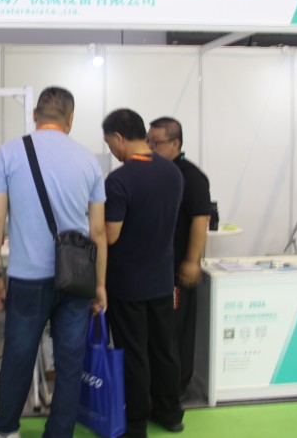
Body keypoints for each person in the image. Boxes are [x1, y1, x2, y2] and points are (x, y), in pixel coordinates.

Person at [0, 86, 108, 438]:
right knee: (70, 360)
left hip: (28, 277)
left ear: (35, 115)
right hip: (77, 277)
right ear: (70, 119)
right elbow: (98, 231)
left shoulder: (9, 153)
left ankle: (5, 428)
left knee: (19, 355)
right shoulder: (89, 161)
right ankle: (60, 433)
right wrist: (99, 284)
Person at [101, 108, 184, 438]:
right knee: (164, 349)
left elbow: (110, 235)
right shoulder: (173, 173)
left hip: (127, 284)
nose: (111, 150)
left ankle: (135, 424)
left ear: (119, 137)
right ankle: (170, 412)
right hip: (162, 279)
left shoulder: (119, 180)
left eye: (110, 143)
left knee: (133, 353)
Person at [148, 117, 212, 396]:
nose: (150, 147)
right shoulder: (156, 172)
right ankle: (159, 386)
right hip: (155, 270)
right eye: (148, 141)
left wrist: (191, 261)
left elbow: (201, 219)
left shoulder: (190, 176)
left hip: (177, 270)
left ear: (176, 143)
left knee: (176, 331)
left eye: (156, 142)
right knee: (159, 330)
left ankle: (176, 388)